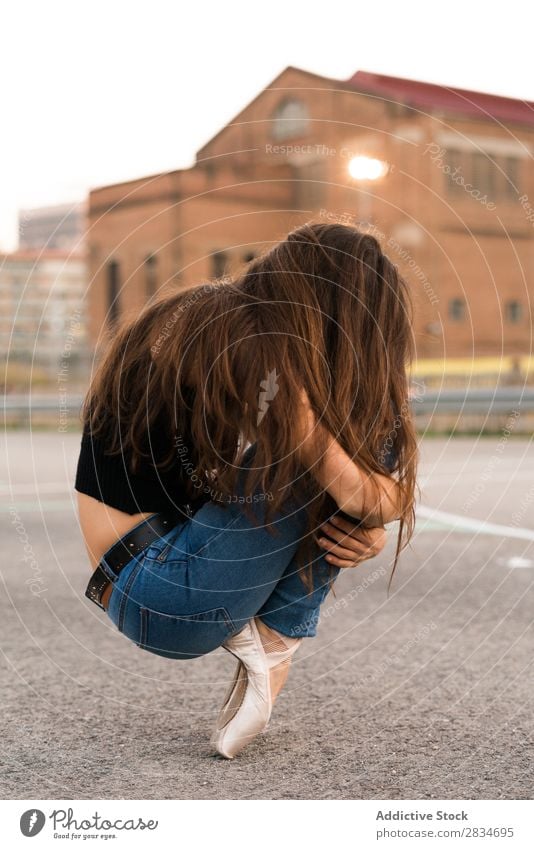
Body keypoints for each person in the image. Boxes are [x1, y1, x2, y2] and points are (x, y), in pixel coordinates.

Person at [75, 221, 418, 759]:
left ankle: (272, 645)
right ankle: (277, 643)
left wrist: (369, 528)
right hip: (159, 586)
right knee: (360, 427)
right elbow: (360, 493)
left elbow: (383, 499)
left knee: (357, 435)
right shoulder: (227, 335)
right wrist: (363, 510)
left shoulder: (222, 328)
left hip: (158, 581)